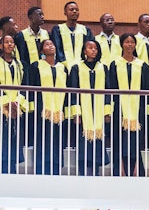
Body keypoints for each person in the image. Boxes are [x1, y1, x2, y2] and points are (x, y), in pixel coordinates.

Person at [107, 34, 149, 176]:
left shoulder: (142, 65)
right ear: (121, 44)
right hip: (120, 108)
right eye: (127, 42)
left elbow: (146, 87)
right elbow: (111, 86)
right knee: (120, 139)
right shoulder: (115, 64)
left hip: (138, 109)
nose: (130, 45)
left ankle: (137, 169)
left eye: (132, 42)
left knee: (136, 139)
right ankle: (121, 170)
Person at [66, 40, 110, 175]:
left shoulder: (103, 68)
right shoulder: (76, 68)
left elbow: (108, 91)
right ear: (84, 51)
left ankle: (96, 173)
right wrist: (76, 113)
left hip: (98, 112)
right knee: (83, 145)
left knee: (97, 145)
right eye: (90, 48)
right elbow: (73, 91)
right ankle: (82, 174)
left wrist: (107, 112)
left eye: (95, 48)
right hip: (83, 115)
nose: (93, 50)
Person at [27, 39, 68, 175]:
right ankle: (40, 170)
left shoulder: (62, 67)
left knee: (57, 140)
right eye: (47, 45)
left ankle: (56, 171)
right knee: (41, 139)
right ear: (41, 50)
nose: (50, 46)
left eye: (52, 44)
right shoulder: (35, 66)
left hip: (58, 112)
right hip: (41, 111)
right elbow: (30, 87)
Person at [0, 34, 26, 173]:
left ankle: (13, 169)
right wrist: (6, 103)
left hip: (16, 108)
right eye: (6, 42)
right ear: (1, 45)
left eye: (12, 42)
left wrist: (17, 102)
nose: (10, 44)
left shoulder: (18, 64)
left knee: (14, 139)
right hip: (2, 107)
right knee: (3, 139)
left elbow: (23, 85)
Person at [51, 1, 94, 66]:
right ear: (65, 13)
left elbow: (88, 49)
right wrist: (64, 63)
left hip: (82, 67)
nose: (74, 11)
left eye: (77, 10)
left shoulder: (85, 30)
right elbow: (57, 49)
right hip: (62, 66)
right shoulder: (58, 30)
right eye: (71, 10)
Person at [15, 6, 49, 73]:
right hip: (28, 72)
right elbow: (21, 56)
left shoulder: (46, 34)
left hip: (45, 71)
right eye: (39, 14)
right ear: (31, 17)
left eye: (42, 14)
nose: (42, 17)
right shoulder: (21, 35)